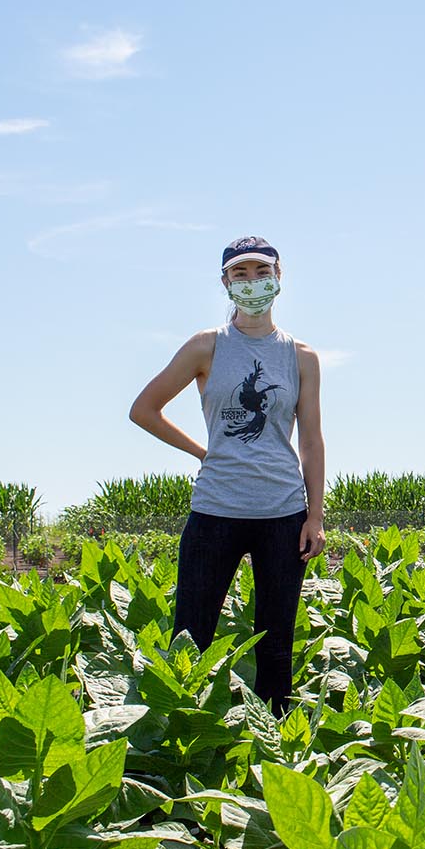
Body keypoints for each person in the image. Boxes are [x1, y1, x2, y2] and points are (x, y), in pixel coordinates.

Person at [129, 235, 326, 711]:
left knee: (276, 643)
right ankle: (182, 740)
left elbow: (312, 440)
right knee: (190, 637)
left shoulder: (302, 357)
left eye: (262, 272)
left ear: (280, 279)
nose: (252, 282)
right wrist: (203, 453)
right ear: (225, 283)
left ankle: (273, 747)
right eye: (241, 274)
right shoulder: (206, 347)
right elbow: (144, 409)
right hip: (215, 510)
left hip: (283, 513)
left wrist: (314, 516)